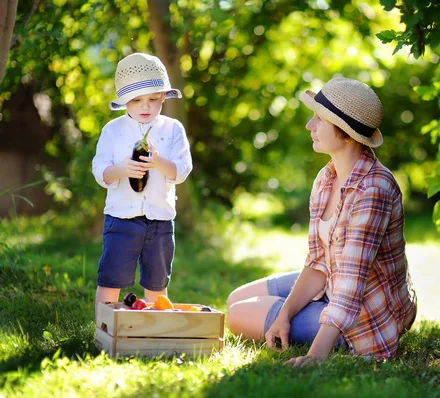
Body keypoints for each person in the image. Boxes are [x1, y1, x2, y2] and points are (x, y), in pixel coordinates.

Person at [226, 77, 417, 366]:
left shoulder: (374, 189)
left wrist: (315, 356)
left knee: (238, 315)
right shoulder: (326, 178)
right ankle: (295, 312)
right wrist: (284, 315)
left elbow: (352, 285)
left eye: (319, 119)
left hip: (366, 314)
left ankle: (324, 330)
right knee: (235, 299)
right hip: (332, 281)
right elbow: (318, 260)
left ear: (347, 135)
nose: (309, 126)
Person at [92, 52, 192, 315]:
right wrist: (121, 169)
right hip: (121, 218)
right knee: (111, 279)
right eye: (136, 100)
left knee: (157, 283)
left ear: (163, 97)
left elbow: (181, 170)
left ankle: (153, 328)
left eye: (152, 99)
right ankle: (103, 328)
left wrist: (159, 162)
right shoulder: (112, 131)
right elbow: (100, 172)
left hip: (160, 220)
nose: (145, 106)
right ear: (125, 101)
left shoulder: (173, 129)